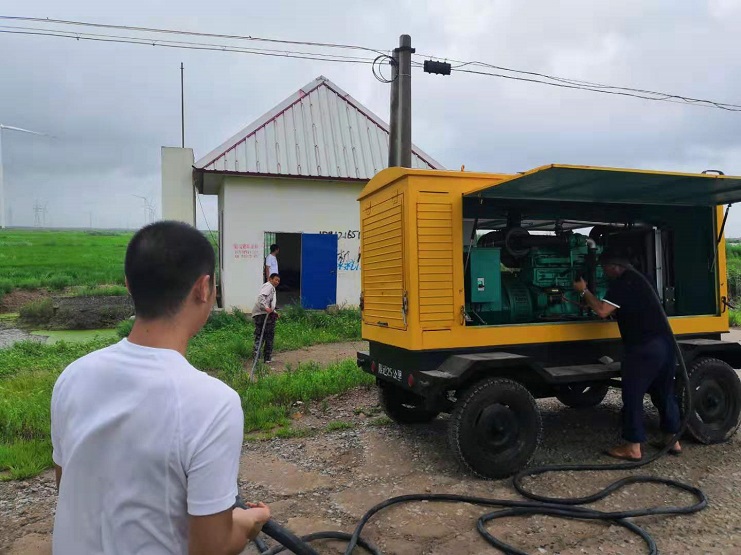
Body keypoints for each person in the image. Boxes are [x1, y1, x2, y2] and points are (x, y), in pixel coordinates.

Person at [51, 221, 270, 555]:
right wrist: (247, 522)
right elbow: (211, 549)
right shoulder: (214, 403)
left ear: (128, 285)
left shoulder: (72, 377)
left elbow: (69, 488)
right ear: (203, 288)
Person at [573, 247, 682, 461]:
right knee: (664, 392)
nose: (604, 272)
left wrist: (584, 291)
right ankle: (673, 439)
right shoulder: (644, 278)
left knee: (633, 395)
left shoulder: (622, 284)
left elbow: (602, 311)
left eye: (605, 268)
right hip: (665, 344)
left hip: (643, 348)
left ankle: (633, 447)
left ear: (615, 267)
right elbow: (636, 307)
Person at [253, 273, 280, 364]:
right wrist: (266, 307)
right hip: (262, 314)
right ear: (270, 279)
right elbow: (261, 297)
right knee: (266, 335)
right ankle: (263, 357)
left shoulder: (271, 288)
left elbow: (269, 302)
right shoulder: (269, 286)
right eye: (276, 280)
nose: (277, 282)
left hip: (263, 313)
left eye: (278, 281)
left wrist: (273, 312)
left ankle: (262, 357)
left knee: (263, 335)